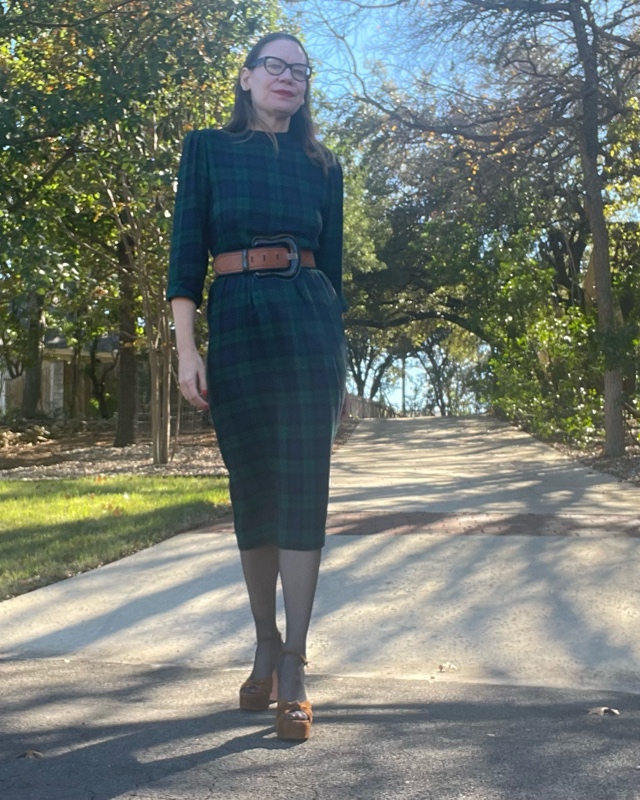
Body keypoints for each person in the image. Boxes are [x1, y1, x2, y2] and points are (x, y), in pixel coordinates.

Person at [167, 32, 347, 741]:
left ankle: (296, 664)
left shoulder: (324, 165)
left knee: (304, 487)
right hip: (237, 320)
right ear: (246, 79)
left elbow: (335, 275)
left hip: (309, 326)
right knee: (255, 489)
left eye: (300, 71)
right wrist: (187, 352)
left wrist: (339, 360)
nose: (288, 78)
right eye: (274, 66)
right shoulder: (207, 150)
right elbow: (186, 258)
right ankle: (265, 641)